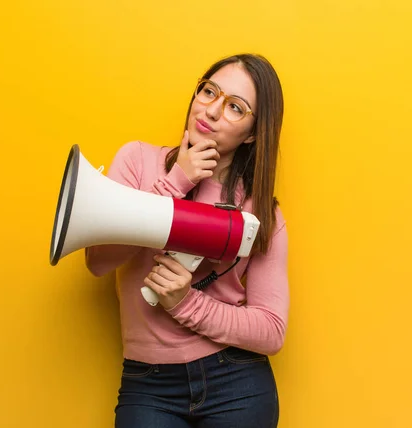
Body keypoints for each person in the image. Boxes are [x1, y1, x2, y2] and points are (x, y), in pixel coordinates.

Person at [85, 53, 289, 428]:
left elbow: (271, 329)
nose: (211, 111)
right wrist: (176, 182)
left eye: (234, 108)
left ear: (254, 133)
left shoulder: (261, 213)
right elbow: (98, 260)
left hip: (237, 384)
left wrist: (186, 303)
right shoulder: (137, 162)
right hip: (149, 384)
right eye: (208, 91)